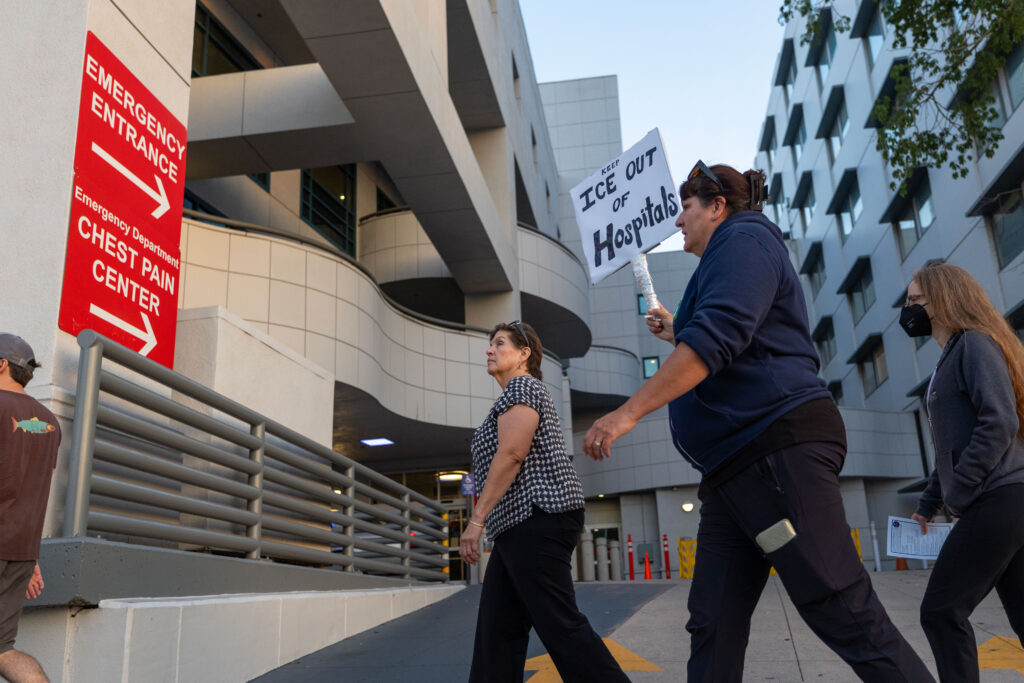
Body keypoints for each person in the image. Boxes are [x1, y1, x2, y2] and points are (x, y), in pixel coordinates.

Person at [582, 162, 933, 682]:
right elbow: (735, 335)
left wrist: (627, 411)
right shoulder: (729, 256)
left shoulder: (745, 241)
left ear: (717, 206)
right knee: (713, 623)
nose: (677, 222)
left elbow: (719, 338)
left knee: (838, 605)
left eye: (686, 208)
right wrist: (681, 330)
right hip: (733, 474)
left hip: (772, 453)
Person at [461, 321, 628, 683]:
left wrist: (476, 521)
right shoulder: (510, 397)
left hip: (538, 517)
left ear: (524, 354)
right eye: (489, 344)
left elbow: (512, 454)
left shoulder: (523, 387)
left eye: (499, 343)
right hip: (516, 526)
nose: (490, 350)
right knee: (498, 632)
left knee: (559, 624)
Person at [904, 261, 1024, 682]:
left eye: (915, 299)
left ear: (942, 299)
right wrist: (928, 504)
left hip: (1000, 499)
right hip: (1004, 501)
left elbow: (1000, 422)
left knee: (940, 612)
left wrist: (963, 488)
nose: (908, 309)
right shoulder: (951, 357)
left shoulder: (973, 344)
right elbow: (950, 448)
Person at [0, 333, 60, 683]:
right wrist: (31, 556)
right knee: (3, 649)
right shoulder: (50, 423)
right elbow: (36, 489)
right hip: (20, 552)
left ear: (2, 364)